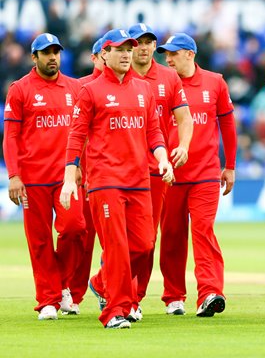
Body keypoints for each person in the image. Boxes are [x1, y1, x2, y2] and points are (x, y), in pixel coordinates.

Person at [60, 29, 174, 329]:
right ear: (104, 55)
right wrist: (70, 179)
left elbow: (154, 132)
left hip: (139, 180)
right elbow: (76, 137)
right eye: (119, 49)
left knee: (145, 244)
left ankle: (100, 280)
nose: (126, 54)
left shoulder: (143, 90)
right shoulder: (90, 91)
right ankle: (115, 311)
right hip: (105, 180)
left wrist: (163, 158)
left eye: (129, 48)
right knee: (118, 248)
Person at [3, 33, 86, 320]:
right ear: (33, 58)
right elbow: (11, 136)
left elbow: (84, 133)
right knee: (39, 241)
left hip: (66, 177)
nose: (52, 57)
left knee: (75, 229)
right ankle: (48, 300)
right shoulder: (20, 89)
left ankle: (61, 284)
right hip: (32, 178)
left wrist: (79, 167)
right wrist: (14, 175)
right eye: (46, 52)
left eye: (56, 52)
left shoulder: (75, 88)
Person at [155, 33, 237, 317]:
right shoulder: (163, 83)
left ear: (190, 54)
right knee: (172, 236)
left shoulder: (215, 82)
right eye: (166, 54)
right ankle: (173, 296)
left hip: (205, 173)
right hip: (171, 175)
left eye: (173, 53)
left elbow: (227, 125)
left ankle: (210, 292)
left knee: (204, 231)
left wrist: (231, 166)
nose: (167, 58)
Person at [127, 23, 193, 315]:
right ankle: (117, 292)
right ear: (128, 46)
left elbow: (185, 118)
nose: (143, 47)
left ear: (154, 46)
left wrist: (183, 146)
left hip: (154, 170)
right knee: (120, 238)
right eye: (137, 42)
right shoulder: (117, 76)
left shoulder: (168, 78)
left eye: (148, 42)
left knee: (146, 239)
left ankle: (132, 297)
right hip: (117, 170)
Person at [69, 36, 105, 313]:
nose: (109, 57)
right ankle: (73, 292)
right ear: (94, 58)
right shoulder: (79, 87)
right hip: (84, 174)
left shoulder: (131, 87)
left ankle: (107, 287)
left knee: (116, 239)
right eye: (103, 53)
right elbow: (73, 132)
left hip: (112, 175)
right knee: (82, 235)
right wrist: (75, 165)